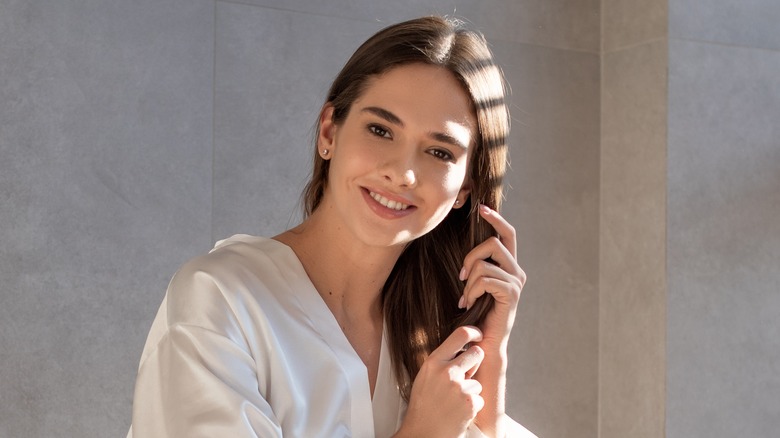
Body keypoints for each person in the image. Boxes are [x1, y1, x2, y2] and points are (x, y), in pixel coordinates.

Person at [128, 16, 535, 438]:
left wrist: (490, 365)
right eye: (381, 129)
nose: (402, 173)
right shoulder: (220, 300)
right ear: (329, 131)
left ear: (466, 187)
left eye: (439, 151)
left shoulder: (429, 347)